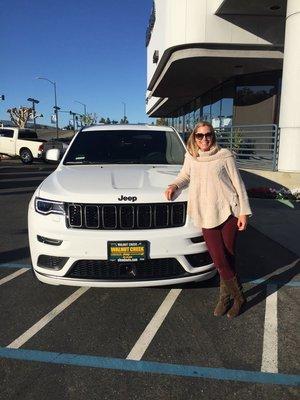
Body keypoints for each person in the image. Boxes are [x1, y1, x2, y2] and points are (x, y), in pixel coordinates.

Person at [164, 121, 252, 319]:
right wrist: (174, 186)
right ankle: (239, 297)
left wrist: (243, 212)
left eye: (208, 134)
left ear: (213, 136)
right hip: (206, 213)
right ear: (194, 137)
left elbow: (238, 183)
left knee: (228, 257)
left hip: (228, 212)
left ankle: (225, 298)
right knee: (218, 259)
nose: (205, 139)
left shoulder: (225, 155)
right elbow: (184, 176)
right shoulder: (191, 157)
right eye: (200, 135)